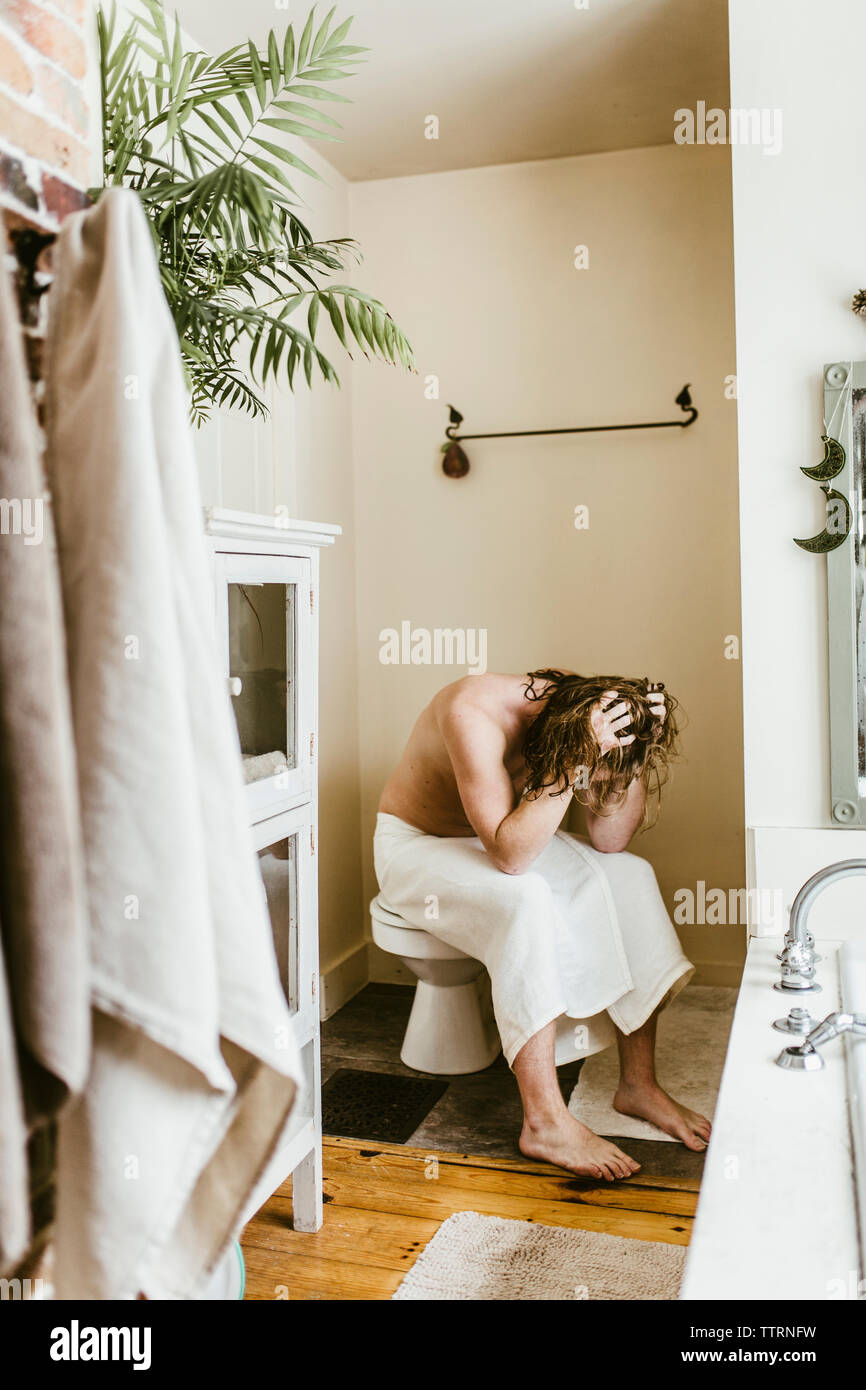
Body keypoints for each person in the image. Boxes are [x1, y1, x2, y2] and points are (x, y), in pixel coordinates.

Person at [374, 668, 711, 1182]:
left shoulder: (592, 714)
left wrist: (632, 757)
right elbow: (511, 858)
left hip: (508, 834)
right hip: (421, 847)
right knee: (525, 897)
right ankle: (544, 1121)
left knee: (629, 874)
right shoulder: (475, 710)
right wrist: (577, 761)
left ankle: (638, 1085)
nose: (594, 784)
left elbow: (611, 842)